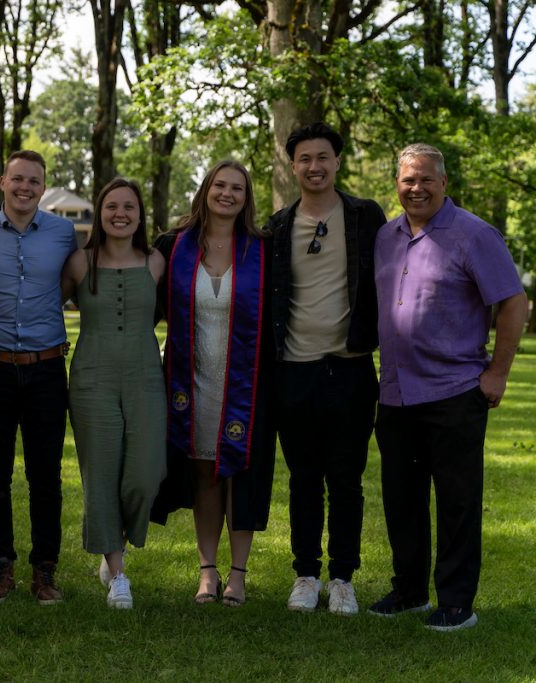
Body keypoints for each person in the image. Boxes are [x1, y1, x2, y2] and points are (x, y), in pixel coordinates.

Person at [369, 144, 527, 631]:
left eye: (425, 179)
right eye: (407, 180)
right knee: (401, 498)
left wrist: (496, 373)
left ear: (444, 182)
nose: (415, 188)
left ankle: (457, 602)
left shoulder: (474, 235)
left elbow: (514, 304)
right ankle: (410, 590)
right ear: (397, 183)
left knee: (457, 502)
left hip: (454, 391)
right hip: (395, 393)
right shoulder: (385, 236)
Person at [265, 122, 386, 615]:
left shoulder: (364, 216)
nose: (314, 167)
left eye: (323, 157)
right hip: (293, 370)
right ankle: (306, 574)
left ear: (337, 162)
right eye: (304, 159)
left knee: (346, 478)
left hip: (350, 368)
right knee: (302, 478)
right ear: (293, 167)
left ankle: (342, 578)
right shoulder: (276, 226)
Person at [0, 150, 77, 604]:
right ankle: (0, 568)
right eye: (18, 179)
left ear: (43, 187)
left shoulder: (63, 232)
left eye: (35, 181)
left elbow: (77, 277)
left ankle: (45, 571)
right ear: (3, 181)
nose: (25, 188)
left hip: (46, 369)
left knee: (46, 476)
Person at [149, 161, 276, 608]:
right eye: (219, 185)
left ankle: (237, 575)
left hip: (249, 382)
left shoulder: (264, 249)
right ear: (205, 189)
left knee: (241, 475)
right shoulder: (173, 246)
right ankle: (207, 572)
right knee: (204, 472)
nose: (227, 194)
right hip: (193, 381)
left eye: (236, 188)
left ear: (247, 197)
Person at [60, 178, 167, 609]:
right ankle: (117, 573)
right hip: (92, 379)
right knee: (100, 476)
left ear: (140, 215)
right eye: (111, 207)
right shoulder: (80, 262)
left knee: (145, 475)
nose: (120, 213)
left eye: (128, 207)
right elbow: (43, 307)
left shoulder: (157, 261)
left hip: (146, 377)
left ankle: (116, 538)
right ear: (100, 215)